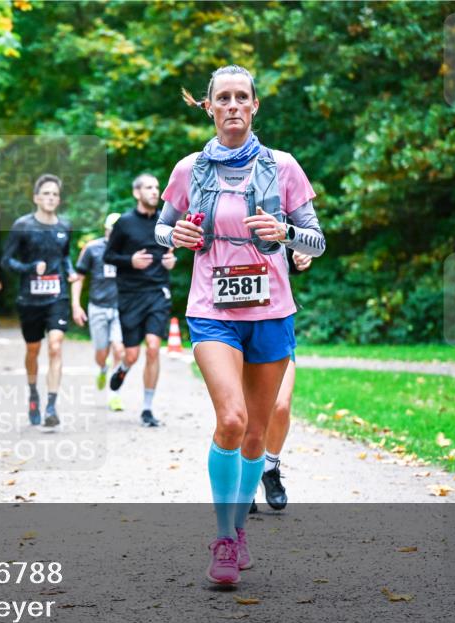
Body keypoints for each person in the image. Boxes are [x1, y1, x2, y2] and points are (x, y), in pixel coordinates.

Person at [155, 65, 325, 585]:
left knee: (256, 432)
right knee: (230, 420)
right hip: (211, 309)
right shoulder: (189, 169)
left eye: (241, 97)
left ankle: (240, 527)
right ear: (208, 107)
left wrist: (288, 231)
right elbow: (161, 230)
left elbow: (316, 241)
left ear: (254, 106)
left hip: (271, 312)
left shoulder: (284, 166)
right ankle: (225, 537)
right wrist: (176, 237)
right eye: (222, 98)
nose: (232, 105)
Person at [1, 174, 78, 427]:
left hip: (57, 296)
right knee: (33, 350)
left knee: (55, 345)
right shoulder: (22, 225)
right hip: (29, 298)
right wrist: (31, 267)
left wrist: (70, 270)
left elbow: (65, 256)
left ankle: (51, 406)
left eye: (55, 194)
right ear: (36, 197)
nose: (51, 198)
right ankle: (33, 393)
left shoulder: (64, 227)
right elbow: (7, 261)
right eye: (46, 193)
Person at [103, 173, 177, 427]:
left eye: (157, 187)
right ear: (137, 193)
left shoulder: (165, 222)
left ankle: (147, 409)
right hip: (130, 295)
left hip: (157, 292)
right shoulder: (124, 223)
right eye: (148, 187)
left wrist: (171, 261)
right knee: (132, 355)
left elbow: (170, 252)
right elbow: (108, 256)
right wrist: (130, 261)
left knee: (154, 347)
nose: (155, 191)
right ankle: (123, 368)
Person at [250, 248, 314, 513]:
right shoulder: (219, 207)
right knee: (244, 413)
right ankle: (245, 482)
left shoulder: (276, 206)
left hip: (274, 319)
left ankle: (269, 467)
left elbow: (292, 245)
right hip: (230, 323)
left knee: (281, 406)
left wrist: (299, 258)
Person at [71, 213, 126, 412]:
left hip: (121, 308)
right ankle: (103, 368)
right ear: (106, 229)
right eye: (114, 229)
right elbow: (79, 277)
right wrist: (76, 306)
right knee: (101, 353)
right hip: (98, 307)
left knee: (120, 350)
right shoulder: (92, 249)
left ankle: (115, 394)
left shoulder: (129, 250)